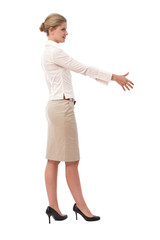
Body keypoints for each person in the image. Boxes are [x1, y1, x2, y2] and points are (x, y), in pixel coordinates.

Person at [39, 13, 134, 223]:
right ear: (51, 30)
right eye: (63, 29)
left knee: (53, 158)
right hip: (62, 107)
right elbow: (84, 68)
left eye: (66, 28)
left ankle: (53, 207)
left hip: (54, 105)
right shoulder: (55, 52)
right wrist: (114, 77)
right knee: (72, 160)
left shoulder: (48, 52)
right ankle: (80, 207)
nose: (67, 33)